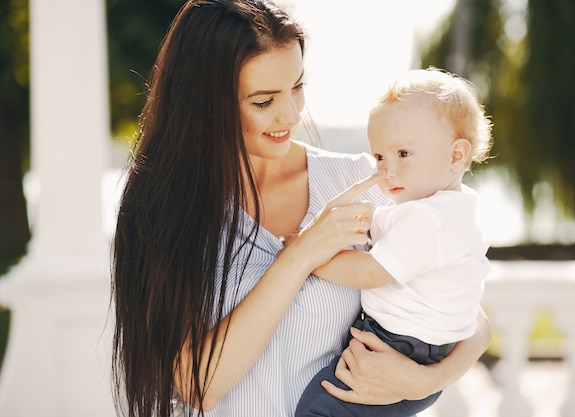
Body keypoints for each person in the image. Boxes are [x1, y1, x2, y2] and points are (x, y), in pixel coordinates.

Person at [110, 2, 493, 417]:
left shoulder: (371, 182)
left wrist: (424, 381)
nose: (291, 114)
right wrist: (303, 253)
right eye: (263, 101)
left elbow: (468, 316)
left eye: (296, 86)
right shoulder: (166, 211)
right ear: (206, 103)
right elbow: (197, 385)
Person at [295, 67, 494, 417]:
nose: (388, 170)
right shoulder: (444, 210)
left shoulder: (430, 220)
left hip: (400, 347)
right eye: (380, 157)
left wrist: (309, 254)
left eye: (403, 154)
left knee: (319, 409)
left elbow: (370, 272)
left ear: (455, 156)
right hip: (417, 349)